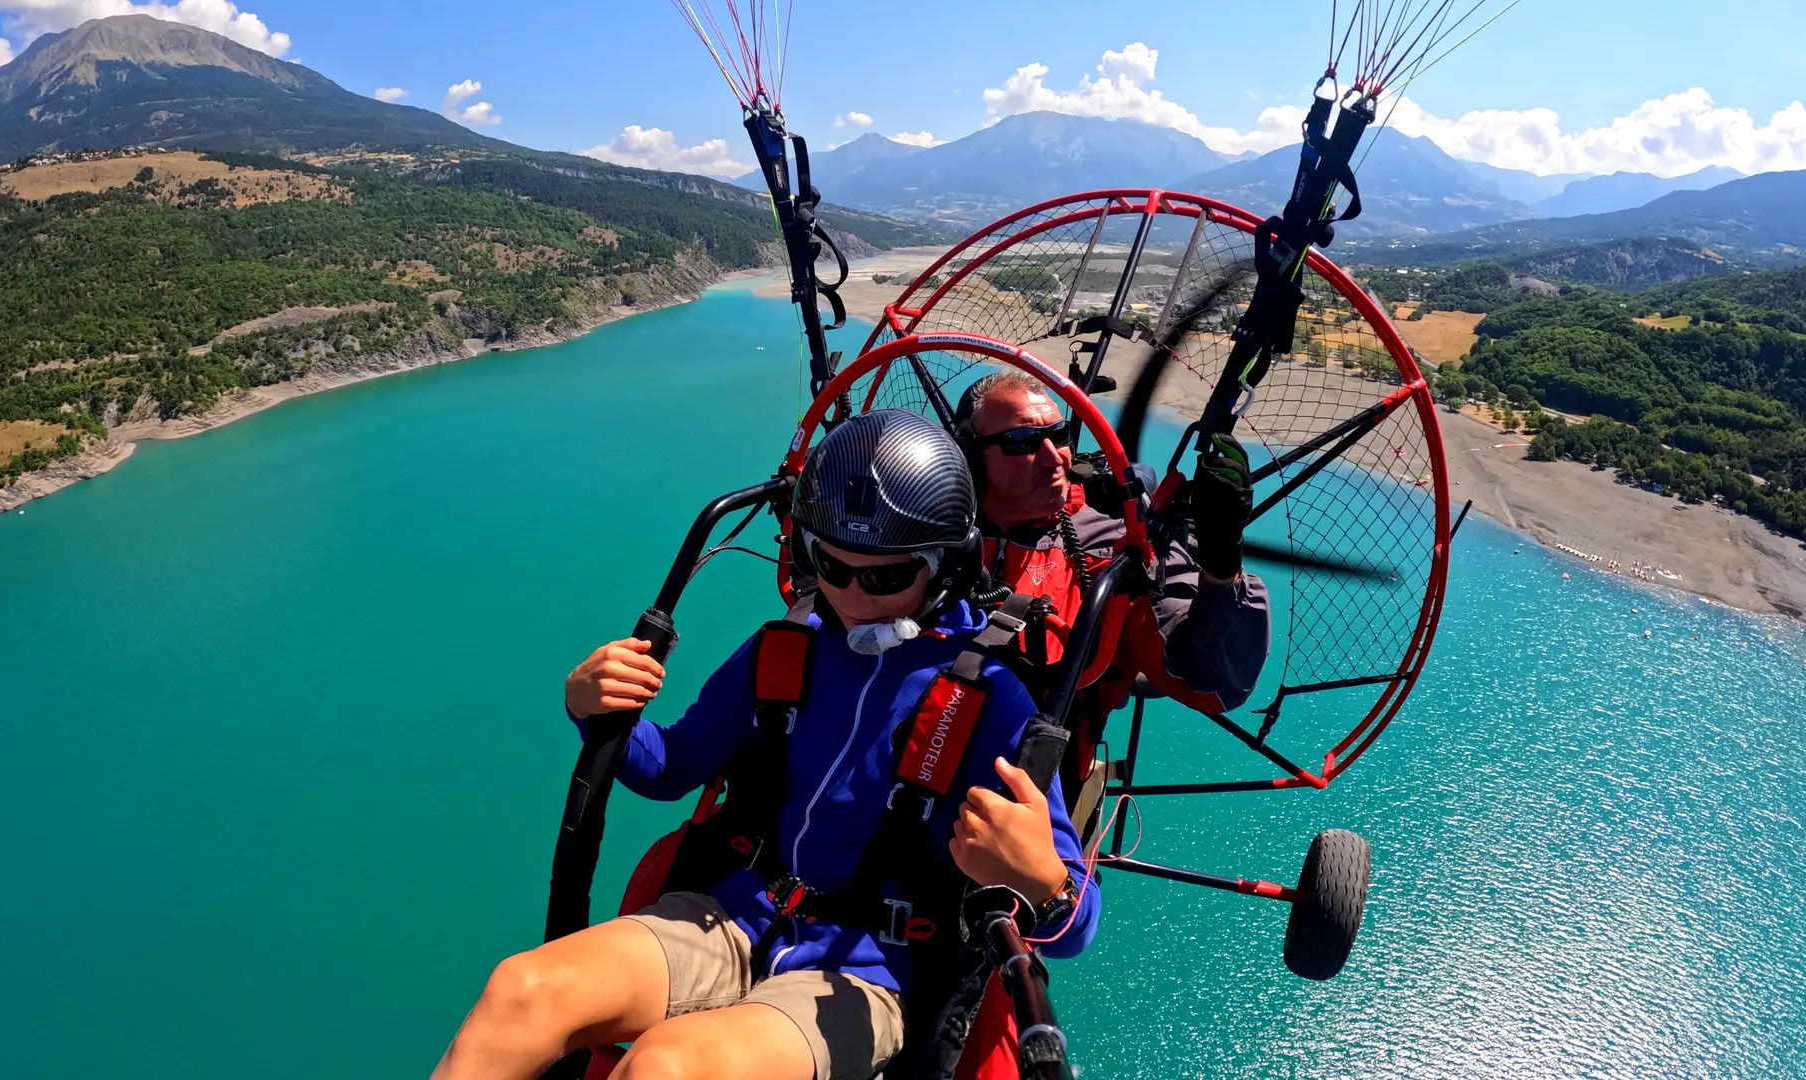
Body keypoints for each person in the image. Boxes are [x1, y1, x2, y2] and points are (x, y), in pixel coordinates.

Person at [432, 409, 1099, 1080]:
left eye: (886, 577)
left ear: (948, 565)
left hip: (870, 970)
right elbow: (670, 766)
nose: (852, 597)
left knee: (669, 1067)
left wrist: (1040, 879)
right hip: (740, 914)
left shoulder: (989, 702)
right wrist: (596, 711)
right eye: (829, 566)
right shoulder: (783, 655)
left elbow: (1076, 920)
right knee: (522, 990)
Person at [953, 370, 1270, 714]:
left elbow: (1216, 685)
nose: (1055, 457)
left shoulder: (1121, 547)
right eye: (1023, 440)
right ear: (971, 455)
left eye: (1059, 435)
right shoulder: (929, 528)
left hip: (1040, 762)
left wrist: (1223, 569)